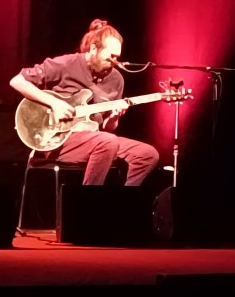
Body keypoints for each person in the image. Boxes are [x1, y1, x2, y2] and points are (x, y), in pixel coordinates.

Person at [9, 19, 159, 185]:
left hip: (95, 140)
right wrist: (55, 103)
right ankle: (86, 205)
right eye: (111, 57)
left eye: (118, 57)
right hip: (57, 139)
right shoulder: (66, 63)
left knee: (147, 154)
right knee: (107, 142)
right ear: (94, 49)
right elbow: (17, 81)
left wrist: (114, 119)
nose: (114, 62)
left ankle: (119, 204)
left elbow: (106, 128)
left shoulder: (116, 79)